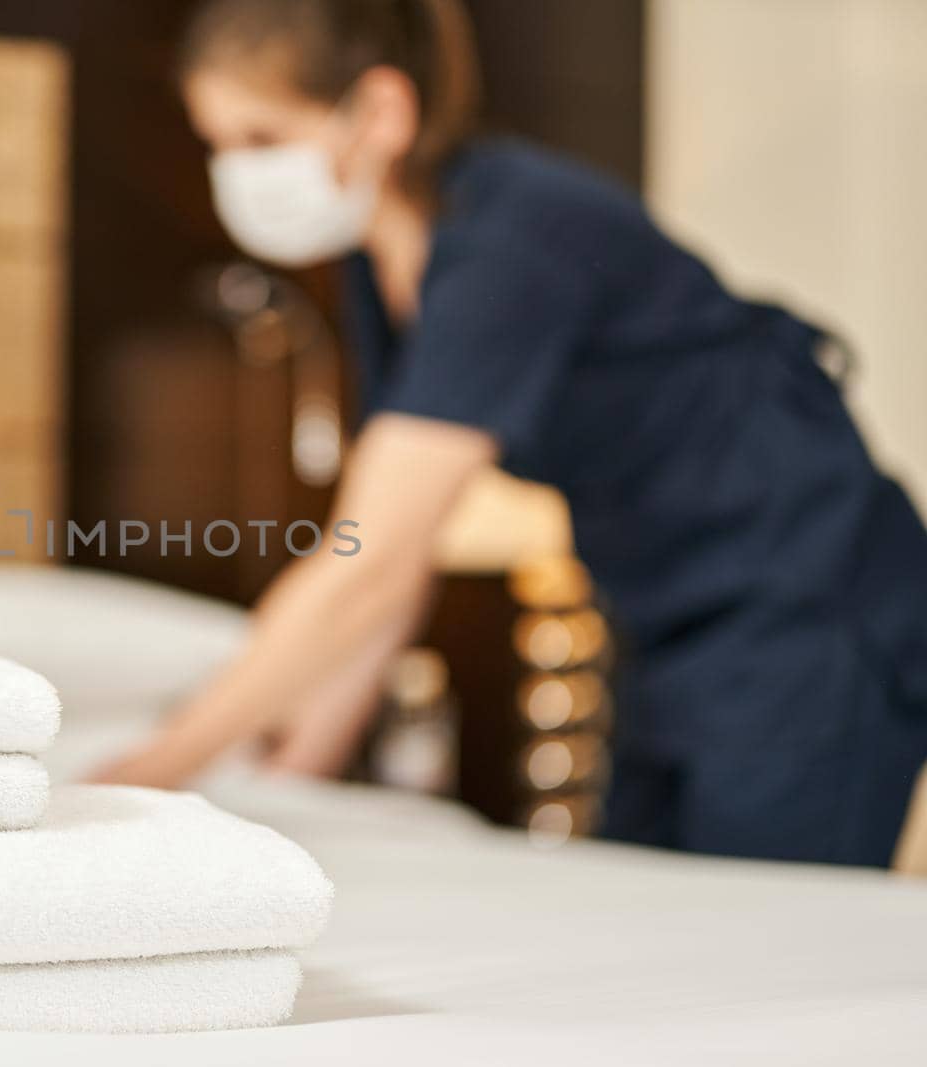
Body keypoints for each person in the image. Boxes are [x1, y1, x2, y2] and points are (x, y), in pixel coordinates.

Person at [93, 0, 927, 867]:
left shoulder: (512, 240)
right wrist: (292, 779)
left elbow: (363, 571)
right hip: (668, 630)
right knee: (658, 925)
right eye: (218, 143)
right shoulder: (385, 274)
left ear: (379, 112)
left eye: (263, 139)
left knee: (765, 949)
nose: (237, 173)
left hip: (812, 610)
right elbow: (395, 566)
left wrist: (151, 772)